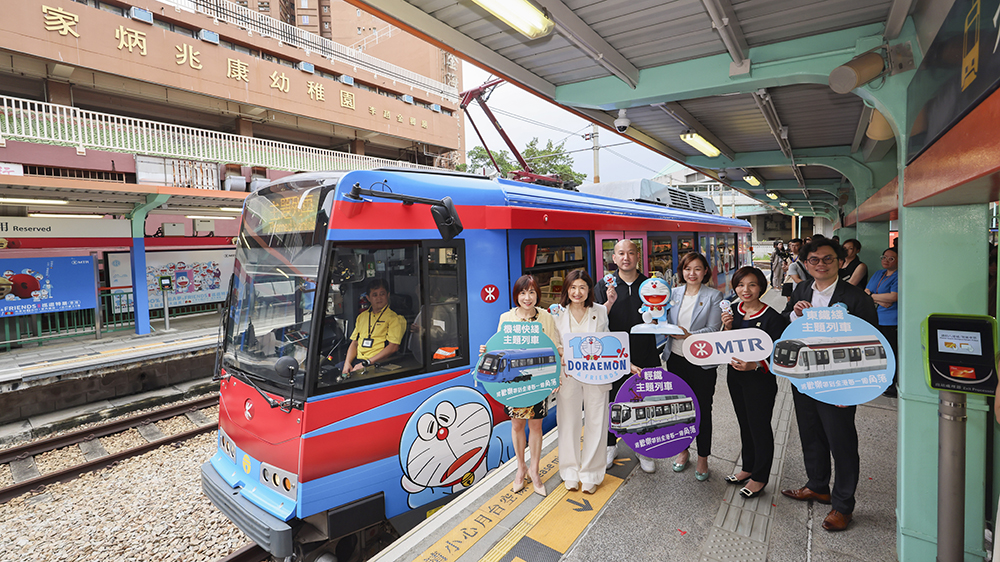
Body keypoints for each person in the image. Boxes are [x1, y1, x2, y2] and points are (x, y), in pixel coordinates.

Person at [780, 239, 877, 532]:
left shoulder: (856, 297)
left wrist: (854, 388)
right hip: (805, 376)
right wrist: (794, 313)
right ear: (806, 264)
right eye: (814, 260)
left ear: (840, 262)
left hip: (839, 381)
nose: (820, 265)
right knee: (811, 433)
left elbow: (873, 343)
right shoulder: (801, 289)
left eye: (827, 259)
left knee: (842, 441)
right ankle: (818, 485)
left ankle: (843, 505)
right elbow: (787, 324)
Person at [483, 275, 559, 497]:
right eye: (523, 293)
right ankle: (520, 468)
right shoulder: (506, 318)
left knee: (535, 426)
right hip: (513, 383)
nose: (527, 298)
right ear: (516, 295)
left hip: (537, 380)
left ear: (538, 295)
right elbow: (499, 346)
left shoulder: (546, 317)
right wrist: (485, 351)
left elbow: (553, 348)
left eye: (532, 292)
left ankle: (534, 471)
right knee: (516, 425)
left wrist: (556, 377)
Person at [721, 267, 789, 499]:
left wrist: (757, 365)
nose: (745, 290)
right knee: (744, 424)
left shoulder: (773, 318)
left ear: (761, 286)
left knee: (759, 427)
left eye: (751, 284)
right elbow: (724, 343)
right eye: (740, 285)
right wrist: (727, 327)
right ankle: (747, 468)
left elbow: (781, 356)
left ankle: (759, 477)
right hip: (735, 378)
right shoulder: (732, 311)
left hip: (760, 380)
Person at [594, 240, 660, 473]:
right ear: (614, 258)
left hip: (646, 353)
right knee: (613, 401)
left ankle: (643, 447)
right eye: (621, 253)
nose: (626, 258)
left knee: (644, 401)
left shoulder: (651, 285)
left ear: (637, 256)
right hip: (613, 355)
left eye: (631, 253)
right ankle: (611, 445)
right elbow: (596, 321)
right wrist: (608, 302)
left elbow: (661, 317)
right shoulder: (604, 285)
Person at [552, 270, 618, 494]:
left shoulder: (599, 311)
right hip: (568, 376)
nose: (577, 292)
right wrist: (563, 352)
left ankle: (591, 473)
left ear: (589, 289)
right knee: (568, 422)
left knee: (596, 422)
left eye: (582, 287)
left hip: (597, 376)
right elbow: (554, 344)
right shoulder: (557, 313)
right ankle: (570, 471)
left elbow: (608, 342)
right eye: (572, 287)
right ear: (566, 290)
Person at [661, 252, 723, 481]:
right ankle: (683, 449)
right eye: (688, 269)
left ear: (705, 271)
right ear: (682, 271)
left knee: (703, 410)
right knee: (680, 409)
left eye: (697, 269)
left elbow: (713, 329)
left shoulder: (714, 296)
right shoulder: (673, 293)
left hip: (701, 362)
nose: (692, 273)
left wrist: (689, 335)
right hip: (675, 359)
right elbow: (662, 320)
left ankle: (703, 457)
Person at [340, 279, 405, 380]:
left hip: (377, 364)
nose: (379, 298)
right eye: (375, 295)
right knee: (331, 374)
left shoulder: (395, 319)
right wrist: (347, 363)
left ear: (388, 295)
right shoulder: (362, 317)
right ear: (368, 298)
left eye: (382, 294)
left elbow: (393, 347)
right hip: (358, 361)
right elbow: (354, 343)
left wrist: (366, 363)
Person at [865, 247, 899, 397]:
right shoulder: (879, 273)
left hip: (890, 321)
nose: (886, 260)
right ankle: (878, 379)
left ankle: (891, 384)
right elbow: (866, 292)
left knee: (890, 352)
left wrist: (873, 296)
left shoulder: (899, 276)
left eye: (891, 258)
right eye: (884, 257)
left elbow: (893, 298)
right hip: (875, 317)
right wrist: (878, 297)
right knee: (878, 352)